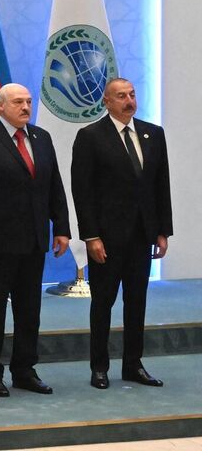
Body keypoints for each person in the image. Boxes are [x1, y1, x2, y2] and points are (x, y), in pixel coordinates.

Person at [0, 83, 71, 397]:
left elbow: (53, 186)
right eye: (19, 102)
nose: (25, 107)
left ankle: (24, 369)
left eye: (29, 102)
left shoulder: (41, 138)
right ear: (0, 106)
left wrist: (61, 227)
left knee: (29, 309)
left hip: (33, 241)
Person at [72, 77, 172, 389]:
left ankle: (133, 364)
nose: (129, 100)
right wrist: (91, 236)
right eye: (120, 96)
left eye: (131, 95)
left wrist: (162, 231)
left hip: (142, 236)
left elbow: (160, 185)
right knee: (103, 302)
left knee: (137, 301)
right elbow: (82, 191)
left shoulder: (152, 133)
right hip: (107, 238)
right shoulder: (90, 136)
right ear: (106, 101)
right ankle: (99, 367)